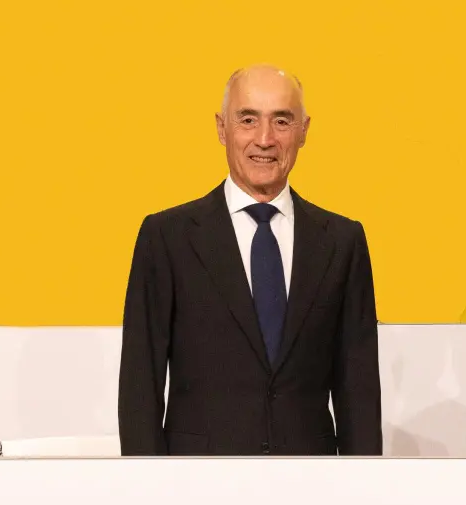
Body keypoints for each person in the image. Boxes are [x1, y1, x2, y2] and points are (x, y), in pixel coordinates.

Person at [118, 65, 382, 456]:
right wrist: (146, 485)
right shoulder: (167, 238)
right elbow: (141, 385)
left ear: (304, 131)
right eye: (248, 119)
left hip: (310, 478)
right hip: (199, 480)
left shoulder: (342, 242)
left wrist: (365, 483)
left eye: (282, 121)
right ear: (221, 128)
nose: (265, 139)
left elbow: (358, 390)